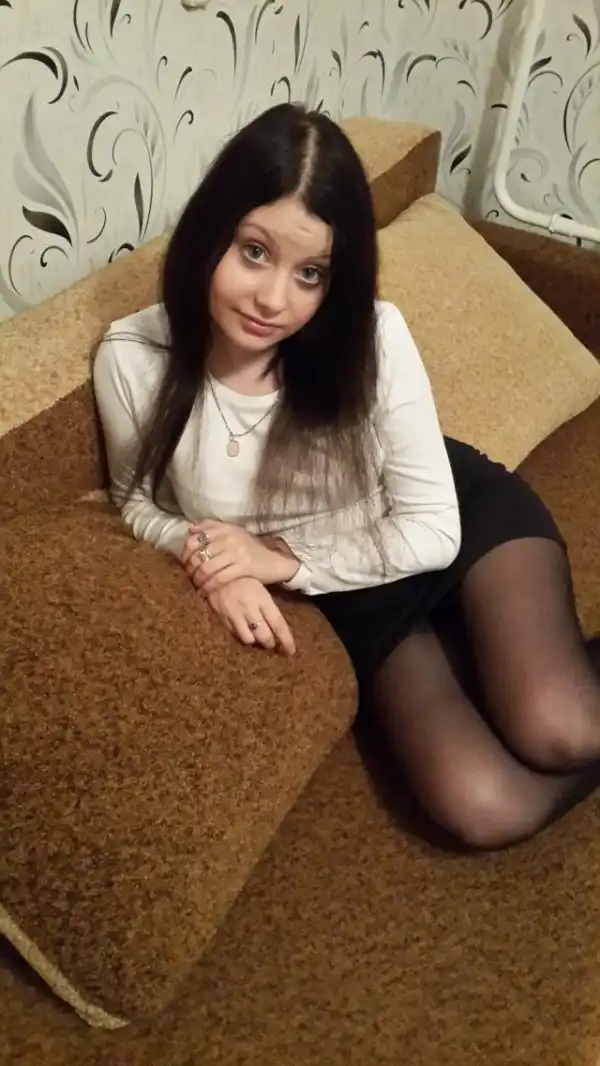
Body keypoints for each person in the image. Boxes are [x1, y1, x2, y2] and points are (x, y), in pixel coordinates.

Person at [93, 102, 600, 852]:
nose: (274, 300)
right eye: (253, 251)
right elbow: (135, 502)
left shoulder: (372, 336)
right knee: (485, 807)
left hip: (449, 520)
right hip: (354, 595)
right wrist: (208, 558)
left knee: (563, 728)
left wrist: (275, 559)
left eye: (311, 274)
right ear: (209, 231)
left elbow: (433, 529)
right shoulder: (134, 360)